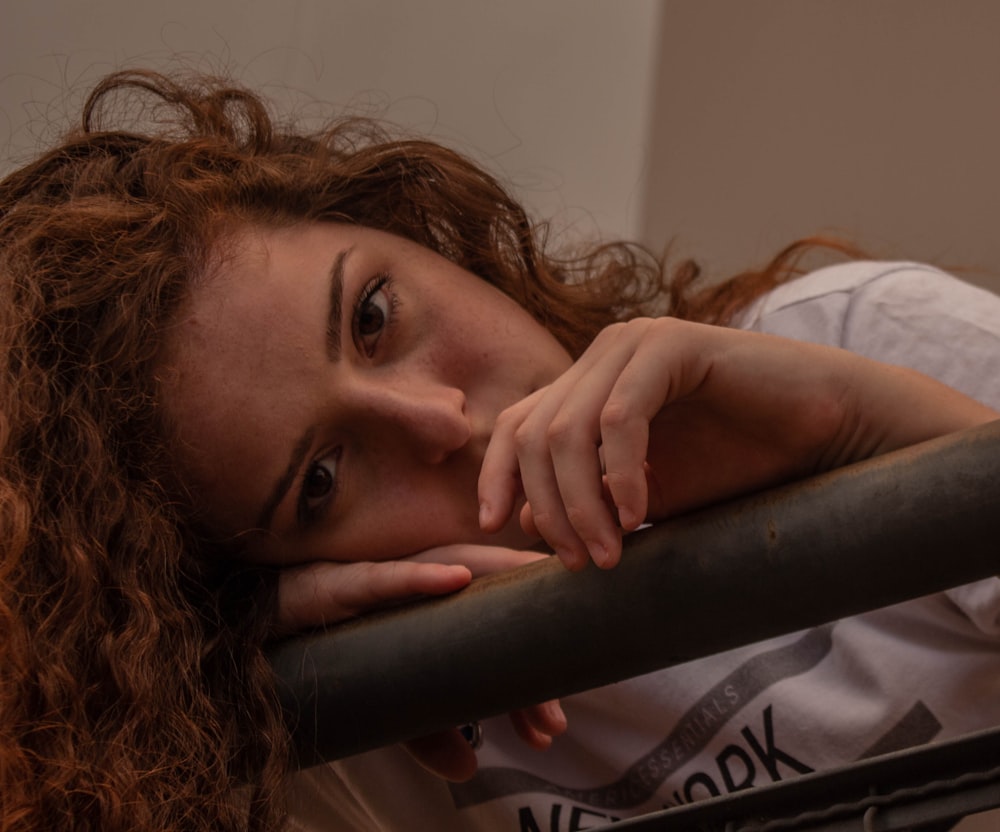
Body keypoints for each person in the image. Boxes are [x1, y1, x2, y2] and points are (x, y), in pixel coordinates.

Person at [0, 69, 996, 832]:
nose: (437, 421)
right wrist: (233, 680)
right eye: (322, 479)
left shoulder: (851, 339)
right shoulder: (354, 750)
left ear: (417, 233)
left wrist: (861, 429)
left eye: (375, 313)